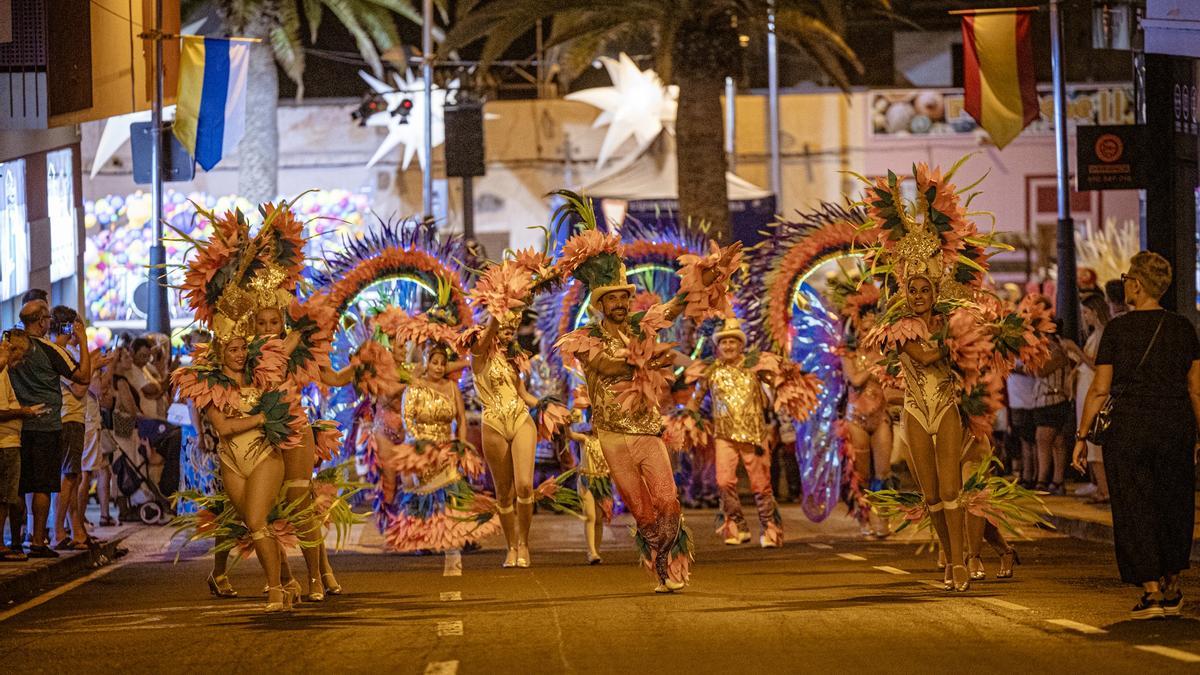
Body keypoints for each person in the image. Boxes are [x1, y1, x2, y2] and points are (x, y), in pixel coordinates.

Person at [557, 238, 742, 593]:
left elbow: (675, 306)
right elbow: (607, 366)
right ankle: (661, 568)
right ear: (600, 304)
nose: (621, 303)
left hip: (646, 432)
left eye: (625, 297)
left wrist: (706, 276)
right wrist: (645, 358)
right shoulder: (583, 338)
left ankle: (670, 567)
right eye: (613, 298)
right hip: (611, 437)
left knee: (667, 500)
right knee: (643, 513)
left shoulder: (642, 326)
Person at [1074, 251, 1200, 620]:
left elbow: (1099, 389)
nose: (1125, 282)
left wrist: (1082, 436)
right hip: (1174, 424)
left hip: (1129, 428)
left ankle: (1151, 589)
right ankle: (1172, 581)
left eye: (1128, 277)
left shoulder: (1118, 330)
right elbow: (1195, 388)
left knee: (1134, 505)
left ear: (1138, 284)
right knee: (1173, 503)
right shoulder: (1183, 328)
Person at [690, 317, 785, 548]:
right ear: (718, 346)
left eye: (733, 341)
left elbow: (778, 383)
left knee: (761, 485)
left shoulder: (755, 365)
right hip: (724, 435)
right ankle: (737, 525)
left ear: (741, 345)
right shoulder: (711, 370)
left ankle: (769, 528)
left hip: (755, 435)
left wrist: (786, 379)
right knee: (723, 483)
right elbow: (695, 401)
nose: (729, 346)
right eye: (724, 342)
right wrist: (688, 420)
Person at [9, 301, 91, 558]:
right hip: (45, 424)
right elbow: (83, 377)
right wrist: (84, 342)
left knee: (19, 486)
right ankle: (37, 540)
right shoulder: (48, 349)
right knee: (42, 486)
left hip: (16, 425)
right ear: (42, 321)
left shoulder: (11, 346)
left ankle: (14, 539)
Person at [467, 309, 540, 568]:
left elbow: (523, 394)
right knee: (504, 493)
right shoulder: (478, 355)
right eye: (504, 326)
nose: (509, 331)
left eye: (513, 327)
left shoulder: (513, 359)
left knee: (524, 486)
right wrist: (498, 307)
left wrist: (546, 406)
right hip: (494, 423)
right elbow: (486, 335)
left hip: (520, 418)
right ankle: (510, 546)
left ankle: (524, 543)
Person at [50, 306, 93, 550]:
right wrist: (86, 347)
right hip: (69, 418)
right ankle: (58, 531)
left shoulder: (67, 352)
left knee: (72, 477)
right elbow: (79, 387)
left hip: (72, 418)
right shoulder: (62, 353)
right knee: (68, 478)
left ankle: (75, 529)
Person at [0, 330, 45, 561]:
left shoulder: (6, 372)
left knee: (10, 497)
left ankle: (13, 542)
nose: (21, 361)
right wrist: (24, 412)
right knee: (6, 498)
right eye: (19, 353)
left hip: (11, 440)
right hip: (5, 442)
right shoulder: (1, 372)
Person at [1063, 293, 1111, 504]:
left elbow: (1097, 364)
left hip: (1093, 389)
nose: (1084, 317)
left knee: (1093, 443)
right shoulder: (1095, 335)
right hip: (1085, 390)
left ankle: (1104, 489)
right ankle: (1098, 485)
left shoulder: (1102, 334)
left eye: (1086, 312)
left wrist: (1077, 351)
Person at [1028, 297, 1072, 495]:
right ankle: (1057, 481)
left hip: (1052, 399)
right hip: (1047, 399)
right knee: (1057, 441)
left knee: (1043, 439)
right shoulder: (1053, 347)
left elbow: (1040, 371)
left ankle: (1042, 481)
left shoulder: (1055, 348)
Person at [568, 405, 611, 565]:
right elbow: (570, 434)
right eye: (595, 420)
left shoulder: (608, 442)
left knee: (599, 519)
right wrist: (567, 425)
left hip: (603, 481)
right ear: (591, 421)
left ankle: (596, 551)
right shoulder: (585, 439)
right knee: (590, 516)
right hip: (586, 480)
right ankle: (591, 551)